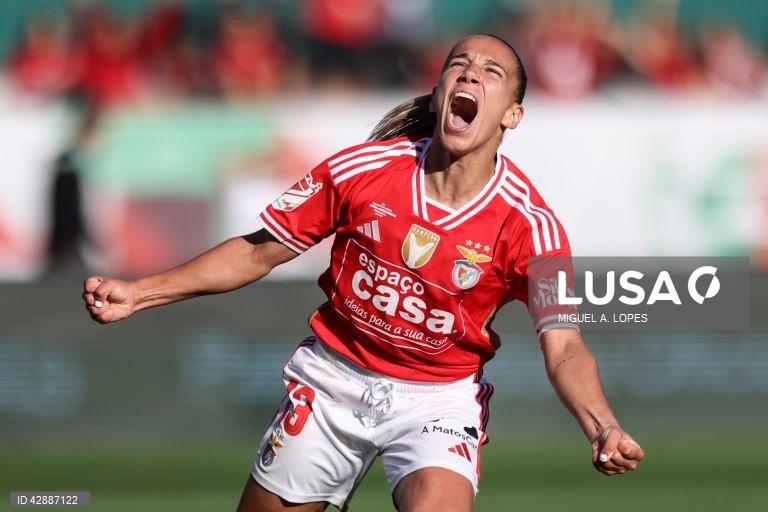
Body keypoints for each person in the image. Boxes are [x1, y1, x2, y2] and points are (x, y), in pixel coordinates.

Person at [82, 34, 644, 512]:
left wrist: (602, 426)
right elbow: (257, 252)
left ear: (512, 114)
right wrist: (139, 292)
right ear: (442, 91)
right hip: (334, 381)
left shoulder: (530, 227)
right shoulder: (363, 170)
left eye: (490, 72)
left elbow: (564, 347)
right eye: (458, 66)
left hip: (437, 400)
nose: (470, 74)